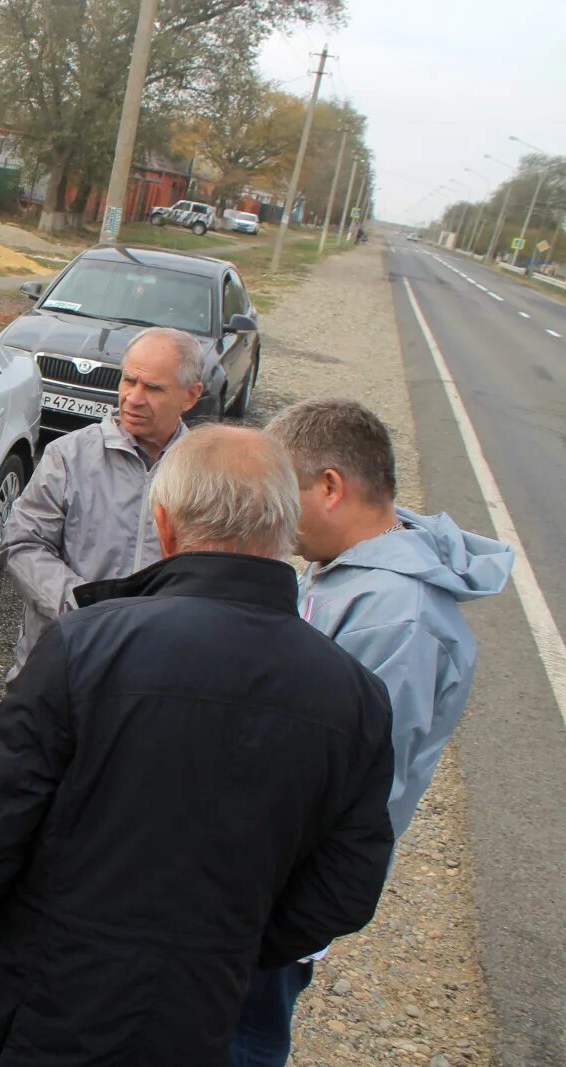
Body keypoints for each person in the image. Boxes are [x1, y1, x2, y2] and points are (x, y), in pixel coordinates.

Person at [0, 425, 396, 1065]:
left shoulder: (87, 647)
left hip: (38, 997)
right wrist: (229, 945)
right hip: (200, 1013)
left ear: (164, 526)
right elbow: (348, 884)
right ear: (283, 528)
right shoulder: (355, 696)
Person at [230, 399, 515, 1066]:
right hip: (266, 867)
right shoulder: (346, 572)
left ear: (330, 487)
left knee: (244, 1033)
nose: (274, 514)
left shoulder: (399, 618)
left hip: (285, 885)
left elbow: (355, 784)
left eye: (283, 493)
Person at [1, 326, 203, 676]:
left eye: (153, 387)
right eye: (128, 381)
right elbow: (21, 543)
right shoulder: (68, 455)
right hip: (62, 662)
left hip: (155, 668)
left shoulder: (208, 472)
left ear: (190, 396)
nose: (133, 398)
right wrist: (85, 608)